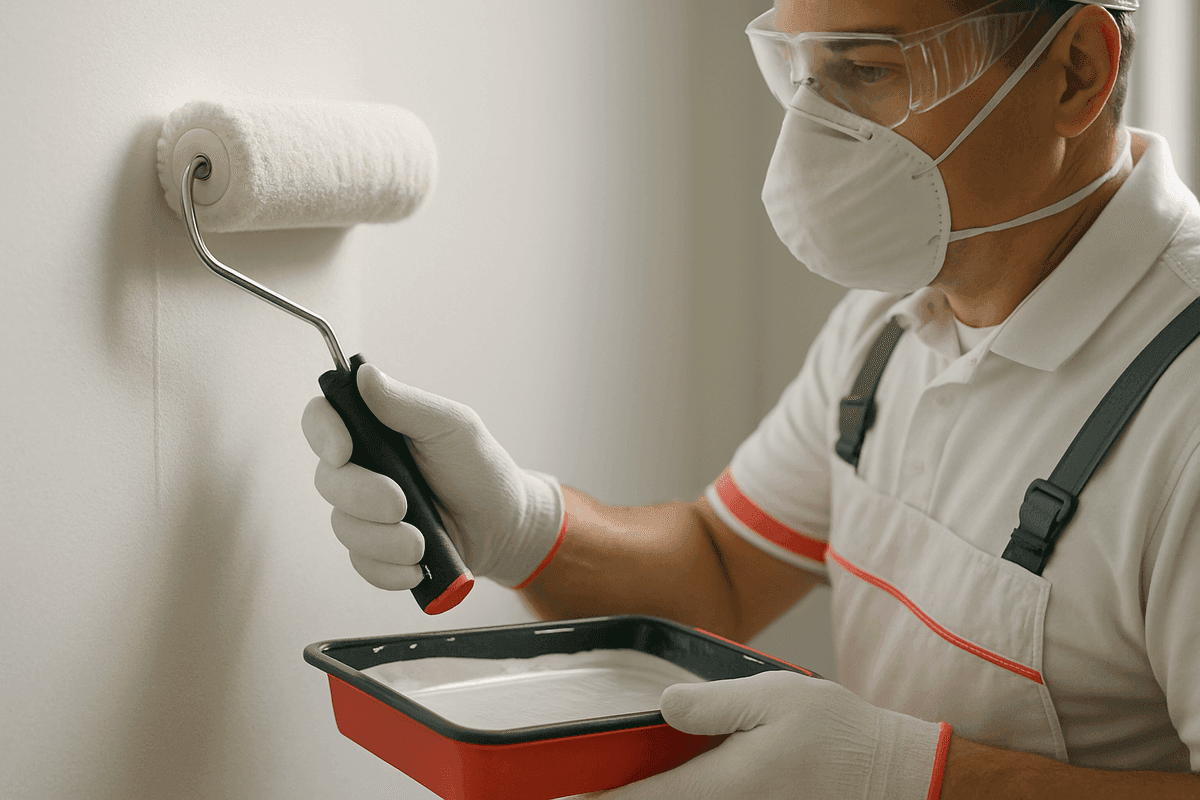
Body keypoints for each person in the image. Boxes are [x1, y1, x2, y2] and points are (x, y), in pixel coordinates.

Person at [302, 1, 1200, 797]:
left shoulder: (1183, 406)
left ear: (1075, 71)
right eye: (800, 72)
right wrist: (522, 526)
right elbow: (720, 572)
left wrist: (904, 780)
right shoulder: (893, 324)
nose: (811, 130)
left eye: (867, 69)